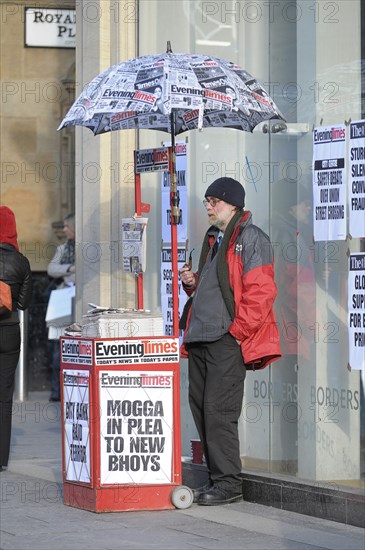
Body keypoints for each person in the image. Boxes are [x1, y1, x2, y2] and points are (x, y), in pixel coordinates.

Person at [179, 177, 281, 506]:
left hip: (226, 339)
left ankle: (228, 483)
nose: (208, 206)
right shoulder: (213, 240)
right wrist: (192, 283)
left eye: (214, 201)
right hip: (200, 338)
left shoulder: (251, 238)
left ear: (232, 203)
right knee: (201, 410)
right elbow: (215, 290)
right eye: (206, 201)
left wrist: (238, 333)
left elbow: (261, 292)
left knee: (218, 411)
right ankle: (215, 477)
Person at [0, 206, 32, 472]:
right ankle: (1, 460)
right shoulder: (21, 261)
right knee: (4, 396)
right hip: (10, 332)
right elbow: (23, 304)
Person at [47, 213, 75, 402]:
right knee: (58, 347)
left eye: (67, 226)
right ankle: (57, 390)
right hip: (63, 299)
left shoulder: (85, 247)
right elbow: (51, 269)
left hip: (77, 299)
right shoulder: (63, 248)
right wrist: (69, 269)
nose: (64, 230)